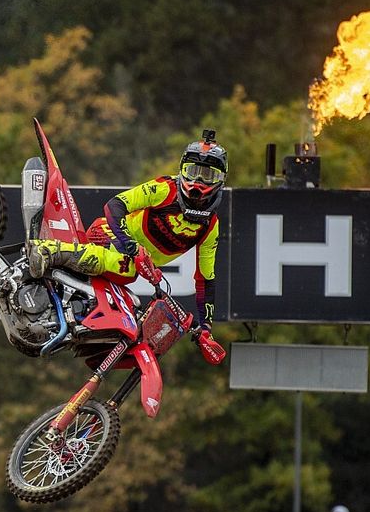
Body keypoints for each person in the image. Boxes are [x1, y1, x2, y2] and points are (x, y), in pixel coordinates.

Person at [27, 129, 227, 363]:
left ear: (220, 179)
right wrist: (131, 247)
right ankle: (50, 250)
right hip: (109, 235)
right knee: (129, 270)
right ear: (181, 170)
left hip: (128, 260)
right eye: (192, 172)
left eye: (207, 175)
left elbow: (205, 278)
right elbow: (115, 205)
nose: (197, 182)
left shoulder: (210, 226)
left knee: (129, 307)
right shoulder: (164, 189)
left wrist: (205, 328)